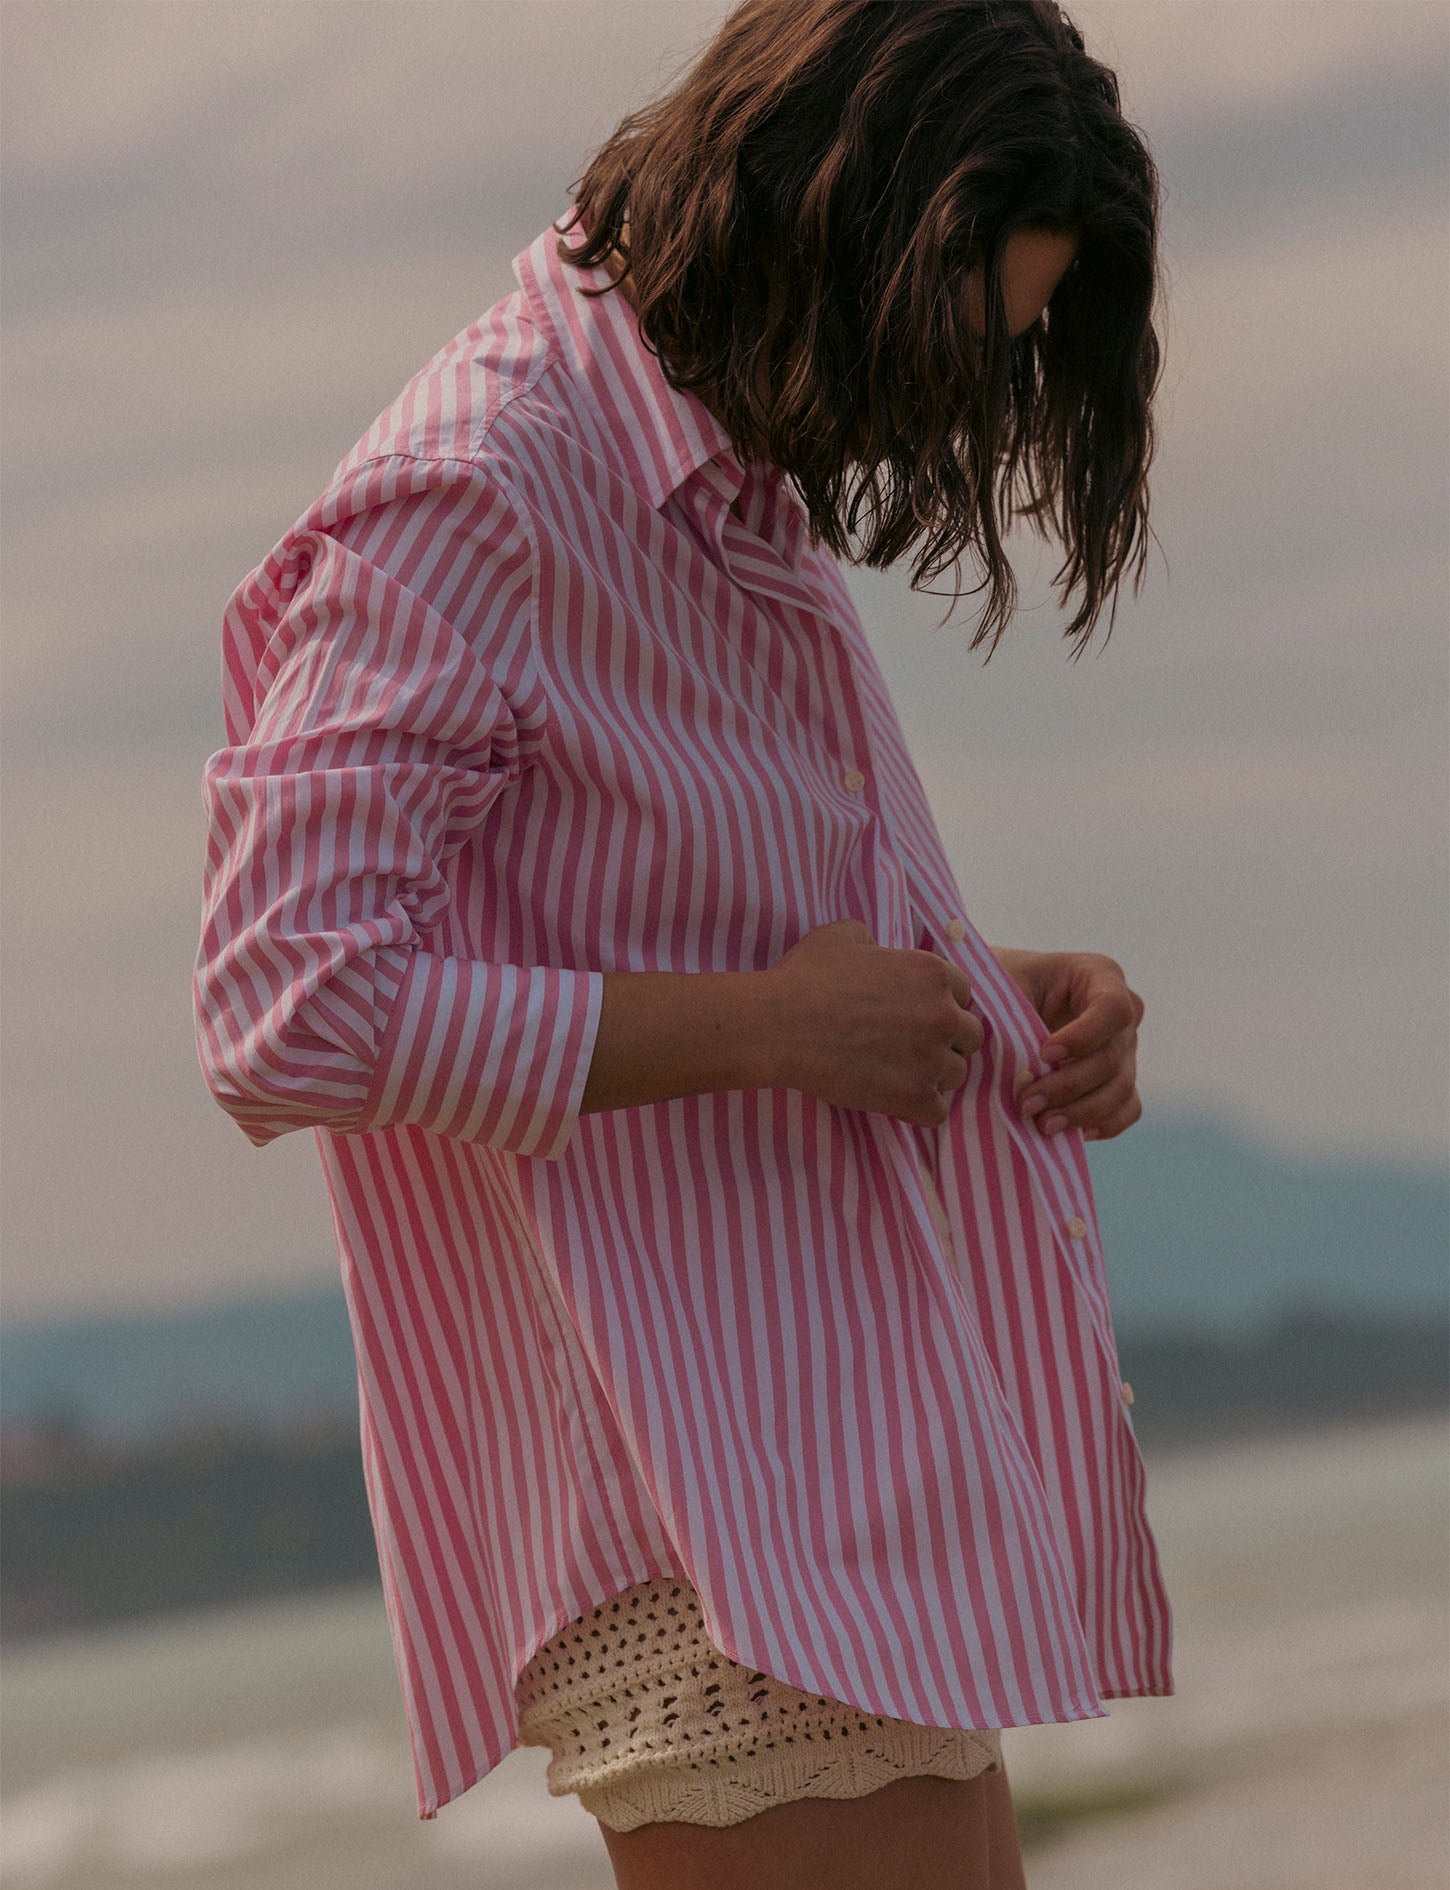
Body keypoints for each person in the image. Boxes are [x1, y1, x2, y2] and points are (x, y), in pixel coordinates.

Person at [192, 2, 1171, 1885]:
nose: (949, 407)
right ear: (833, 221)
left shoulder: (718, 484)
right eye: (950, 339)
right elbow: (283, 1005)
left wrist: (986, 991)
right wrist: (769, 1029)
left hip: (840, 1463)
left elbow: (685, 920)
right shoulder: (480, 484)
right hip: (697, 1502)